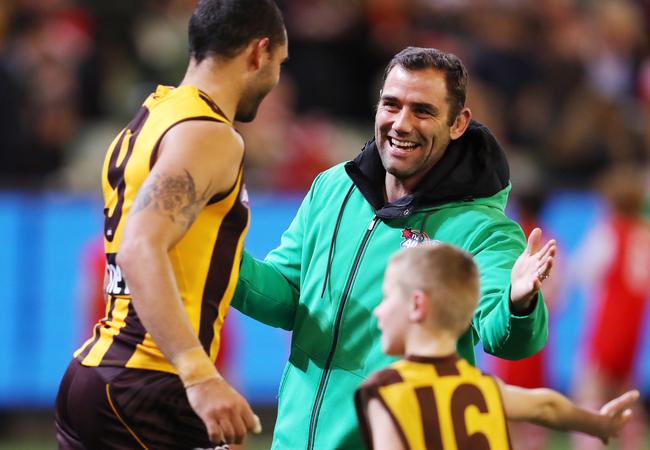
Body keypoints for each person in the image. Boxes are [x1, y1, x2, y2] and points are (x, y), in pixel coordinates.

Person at [232, 47, 553, 448]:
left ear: (458, 123)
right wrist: (221, 257)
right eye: (391, 105)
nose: (401, 123)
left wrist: (518, 303)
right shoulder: (333, 188)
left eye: (422, 110)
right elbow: (286, 296)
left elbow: (506, 340)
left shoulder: (483, 231)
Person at [54, 1, 288, 448]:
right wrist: (200, 375)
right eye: (279, 63)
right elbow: (140, 248)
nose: (275, 79)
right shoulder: (209, 133)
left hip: (104, 376)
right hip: (148, 385)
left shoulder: (151, 118)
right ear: (258, 53)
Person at [355, 244, 638, 450]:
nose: (379, 310)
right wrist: (599, 423)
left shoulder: (387, 390)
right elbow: (546, 406)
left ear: (417, 305)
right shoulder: (484, 387)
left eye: (388, 297)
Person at [571, 165, 650, 450]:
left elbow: (584, 269)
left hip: (608, 325)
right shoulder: (644, 235)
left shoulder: (609, 232)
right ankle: (633, 443)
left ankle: (588, 445)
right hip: (633, 329)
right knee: (626, 395)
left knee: (590, 392)